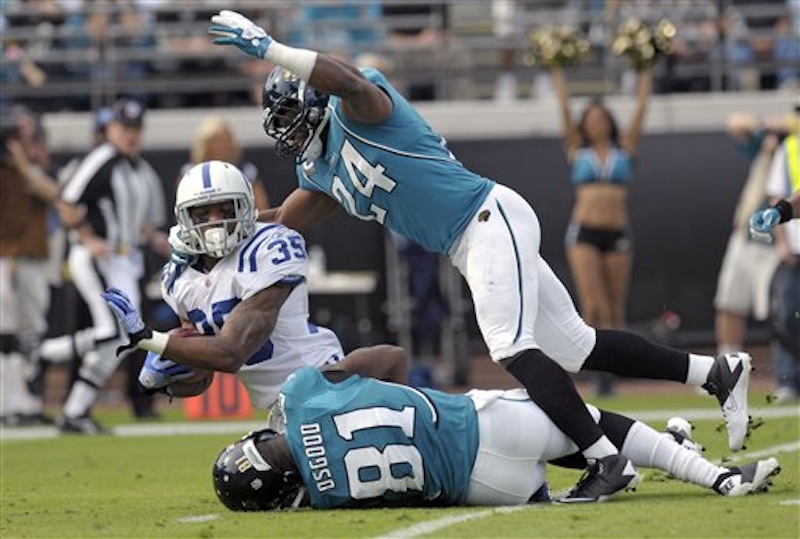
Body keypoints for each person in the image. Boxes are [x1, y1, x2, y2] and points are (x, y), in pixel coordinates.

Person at [171, 10, 755, 503]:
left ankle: (607, 460)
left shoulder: (361, 107)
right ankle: (714, 372)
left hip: (485, 217)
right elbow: (275, 220)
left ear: (314, 103)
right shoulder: (317, 168)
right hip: (467, 239)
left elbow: (348, 81)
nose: (289, 135)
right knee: (575, 344)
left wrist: (272, 48)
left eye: (293, 119)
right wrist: (209, 231)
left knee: (509, 346)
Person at [209, 356, 782, 511]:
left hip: (488, 490)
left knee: (570, 448)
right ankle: (719, 478)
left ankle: (671, 446)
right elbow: (390, 356)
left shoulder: (325, 501)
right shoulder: (304, 397)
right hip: (479, 425)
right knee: (588, 426)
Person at [102, 160, 363, 421]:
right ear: (184, 217)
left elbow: (231, 353)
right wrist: (161, 377)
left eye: (226, 210)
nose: (214, 223)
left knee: (237, 463)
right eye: (202, 214)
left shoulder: (270, 246)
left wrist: (151, 339)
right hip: (282, 409)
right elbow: (203, 375)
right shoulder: (177, 278)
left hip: (322, 385)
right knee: (235, 463)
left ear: (245, 208)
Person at [56, 97, 168, 434]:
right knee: (111, 333)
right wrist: (88, 238)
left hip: (126, 260)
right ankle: (46, 354)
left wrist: (159, 240)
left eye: (136, 128)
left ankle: (74, 413)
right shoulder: (102, 159)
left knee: (124, 337)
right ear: (111, 129)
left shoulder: (138, 169)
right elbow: (65, 202)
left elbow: (141, 224)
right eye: (124, 128)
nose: (130, 135)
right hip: (99, 259)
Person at [550, 65, 653, 396]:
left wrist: (645, 69)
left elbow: (641, 108)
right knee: (592, 304)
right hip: (584, 233)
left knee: (614, 306)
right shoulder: (576, 150)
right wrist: (558, 69)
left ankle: (612, 369)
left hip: (617, 232)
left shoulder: (625, 149)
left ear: (609, 121)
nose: (596, 123)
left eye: (601, 118)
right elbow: (563, 111)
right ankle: (594, 370)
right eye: (590, 119)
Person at [0, 104, 60, 426]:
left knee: (31, 335)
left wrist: (22, 164)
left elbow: (54, 193)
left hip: (34, 256)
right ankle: (8, 404)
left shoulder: (34, 170)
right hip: (8, 255)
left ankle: (29, 402)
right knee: (6, 334)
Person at [714, 113, 783, 358]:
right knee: (729, 303)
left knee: (782, 312)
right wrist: (770, 128)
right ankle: (725, 367)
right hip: (747, 236)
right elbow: (734, 122)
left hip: (781, 246)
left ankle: (785, 376)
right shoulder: (769, 145)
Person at [750, 129, 800, 403]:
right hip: (795, 249)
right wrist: (781, 212)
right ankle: (788, 380)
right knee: (788, 315)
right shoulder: (791, 148)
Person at [180, 115, 270, 211]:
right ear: (205, 143)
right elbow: (182, 207)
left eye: (225, 139)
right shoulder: (189, 173)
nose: (222, 144)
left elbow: (262, 206)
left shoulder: (247, 171)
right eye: (216, 140)